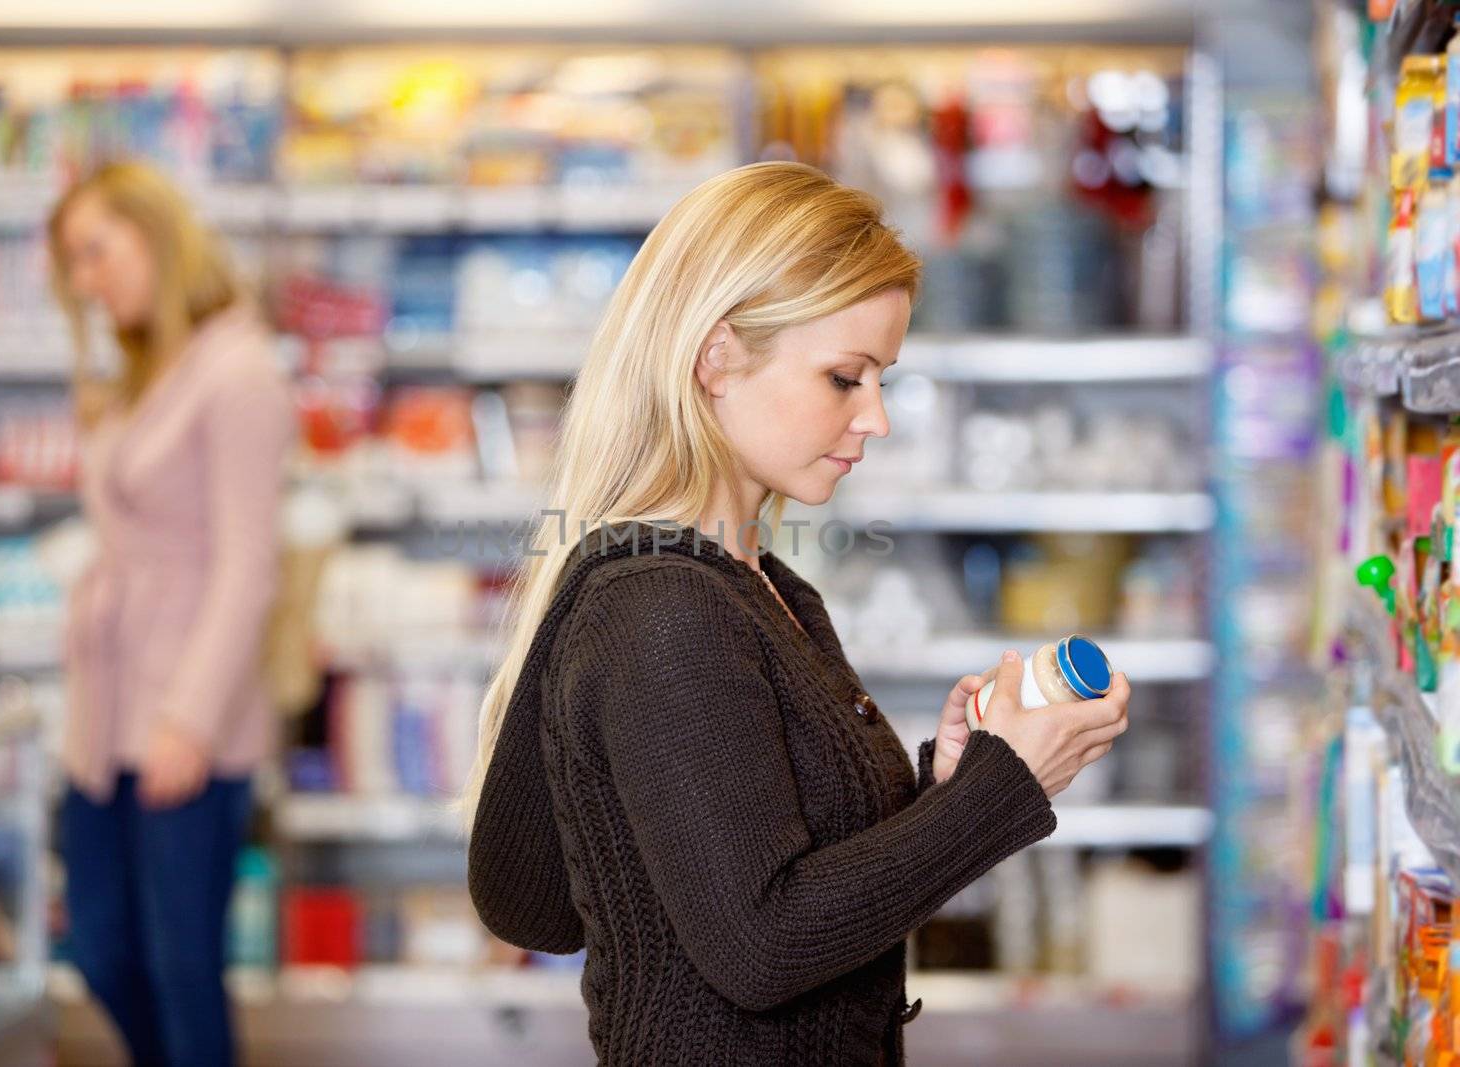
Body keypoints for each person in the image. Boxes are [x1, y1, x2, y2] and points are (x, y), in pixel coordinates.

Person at [463, 160, 1130, 1067]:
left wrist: (946, 787)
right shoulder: (665, 609)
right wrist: (1004, 791)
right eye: (845, 378)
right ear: (716, 357)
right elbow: (765, 943)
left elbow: (538, 895)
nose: (876, 419)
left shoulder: (759, 586)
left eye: (881, 379)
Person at [47, 160, 294, 1067]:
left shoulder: (237, 372)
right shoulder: (154, 365)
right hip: (101, 716)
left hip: (181, 717)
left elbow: (247, 568)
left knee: (181, 968)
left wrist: (188, 719)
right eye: (72, 263)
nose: (85, 280)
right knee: (107, 950)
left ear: (155, 235)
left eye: (94, 252)